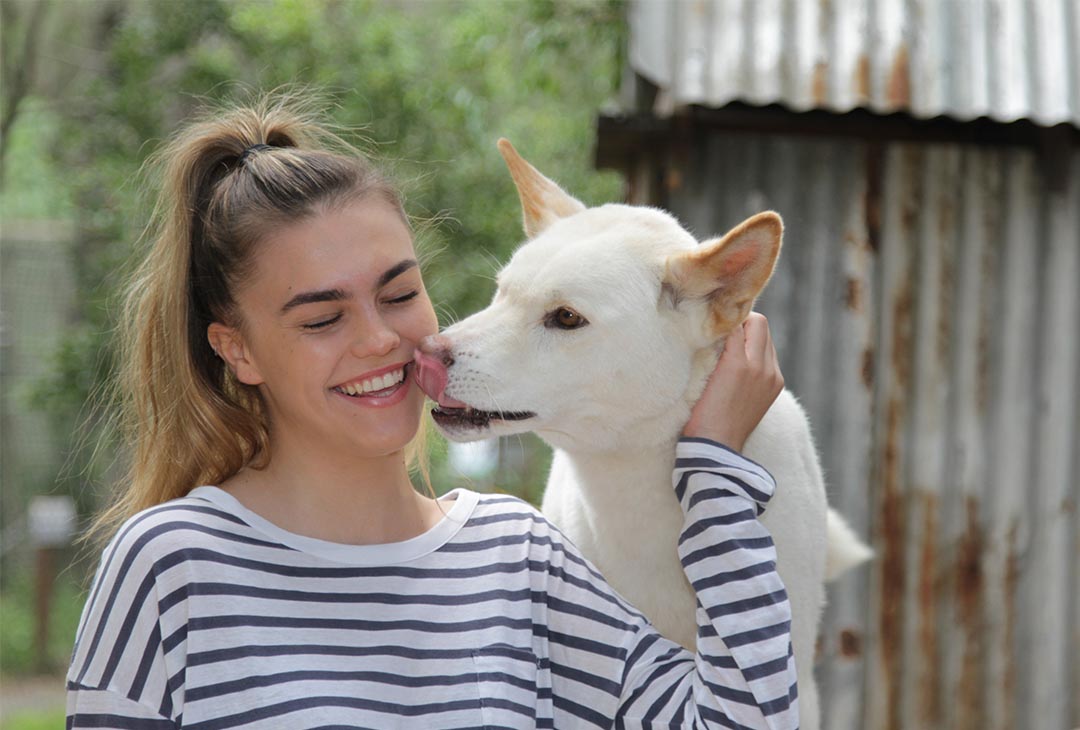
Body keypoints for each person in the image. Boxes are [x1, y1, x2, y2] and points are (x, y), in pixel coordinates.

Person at [66, 96, 798, 729]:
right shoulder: (169, 568)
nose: (382, 341)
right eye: (322, 319)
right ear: (238, 351)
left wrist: (715, 471)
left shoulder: (519, 559)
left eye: (399, 294)